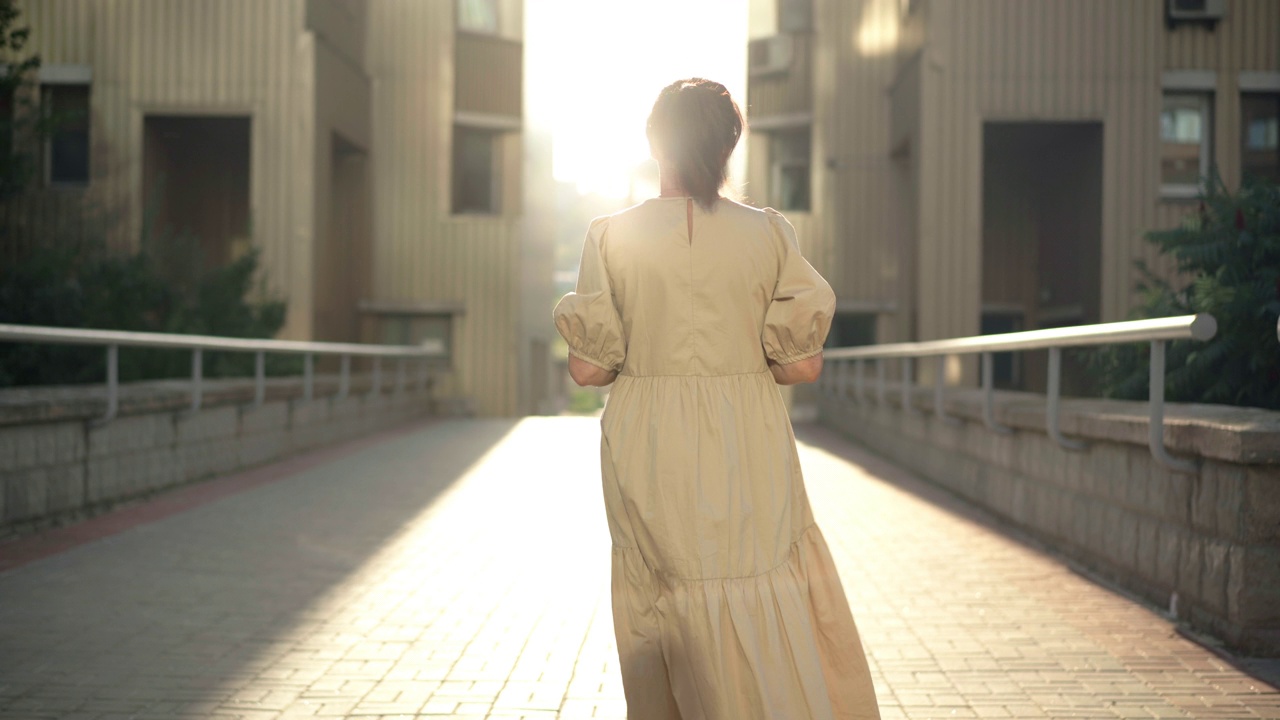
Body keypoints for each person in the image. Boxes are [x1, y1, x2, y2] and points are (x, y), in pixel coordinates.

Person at [553, 78, 880, 720]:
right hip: (746, 438)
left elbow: (589, 372)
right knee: (761, 587)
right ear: (730, 145)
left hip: (648, 445)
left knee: (662, 599)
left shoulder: (609, 235)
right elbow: (803, 366)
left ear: (655, 142)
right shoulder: (769, 233)